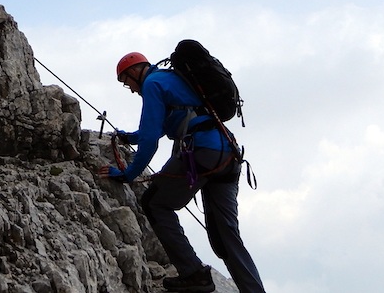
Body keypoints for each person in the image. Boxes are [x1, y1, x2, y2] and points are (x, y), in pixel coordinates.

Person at [99, 52, 265, 293]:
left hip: (201, 153)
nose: (132, 90)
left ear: (135, 72)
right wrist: (129, 137)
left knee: (154, 203)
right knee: (226, 235)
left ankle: (194, 274)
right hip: (228, 154)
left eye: (128, 83)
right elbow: (157, 128)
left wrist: (128, 174)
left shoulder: (153, 84)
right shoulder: (171, 78)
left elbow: (150, 141)